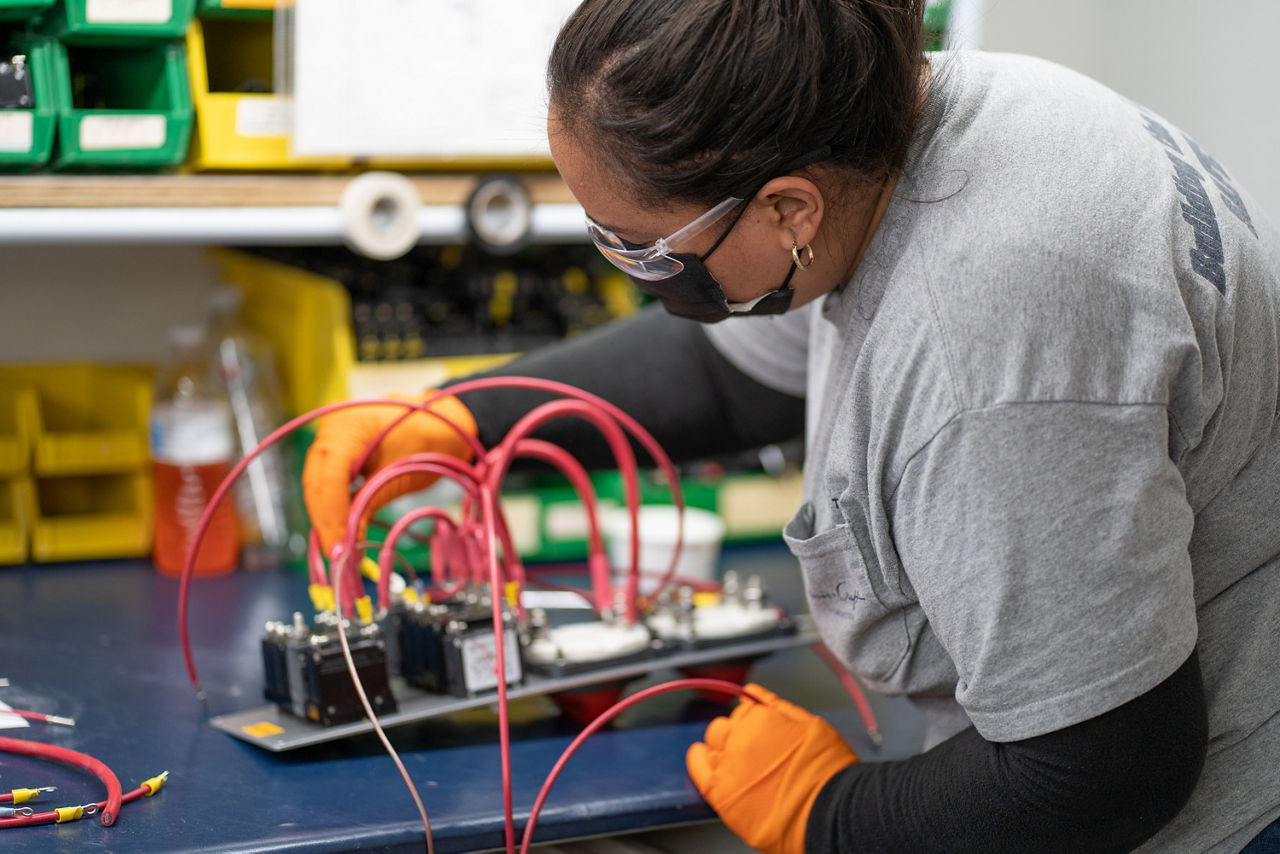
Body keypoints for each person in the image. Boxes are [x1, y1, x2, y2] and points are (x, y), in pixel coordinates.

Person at [303, 1, 1280, 851]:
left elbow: (1103, 770)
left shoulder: (986, 340)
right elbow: (727, 372)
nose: (633, 272)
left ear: (786, 207)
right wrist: (461, 414)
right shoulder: (898, 123)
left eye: (644, 249)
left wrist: (828, 809)